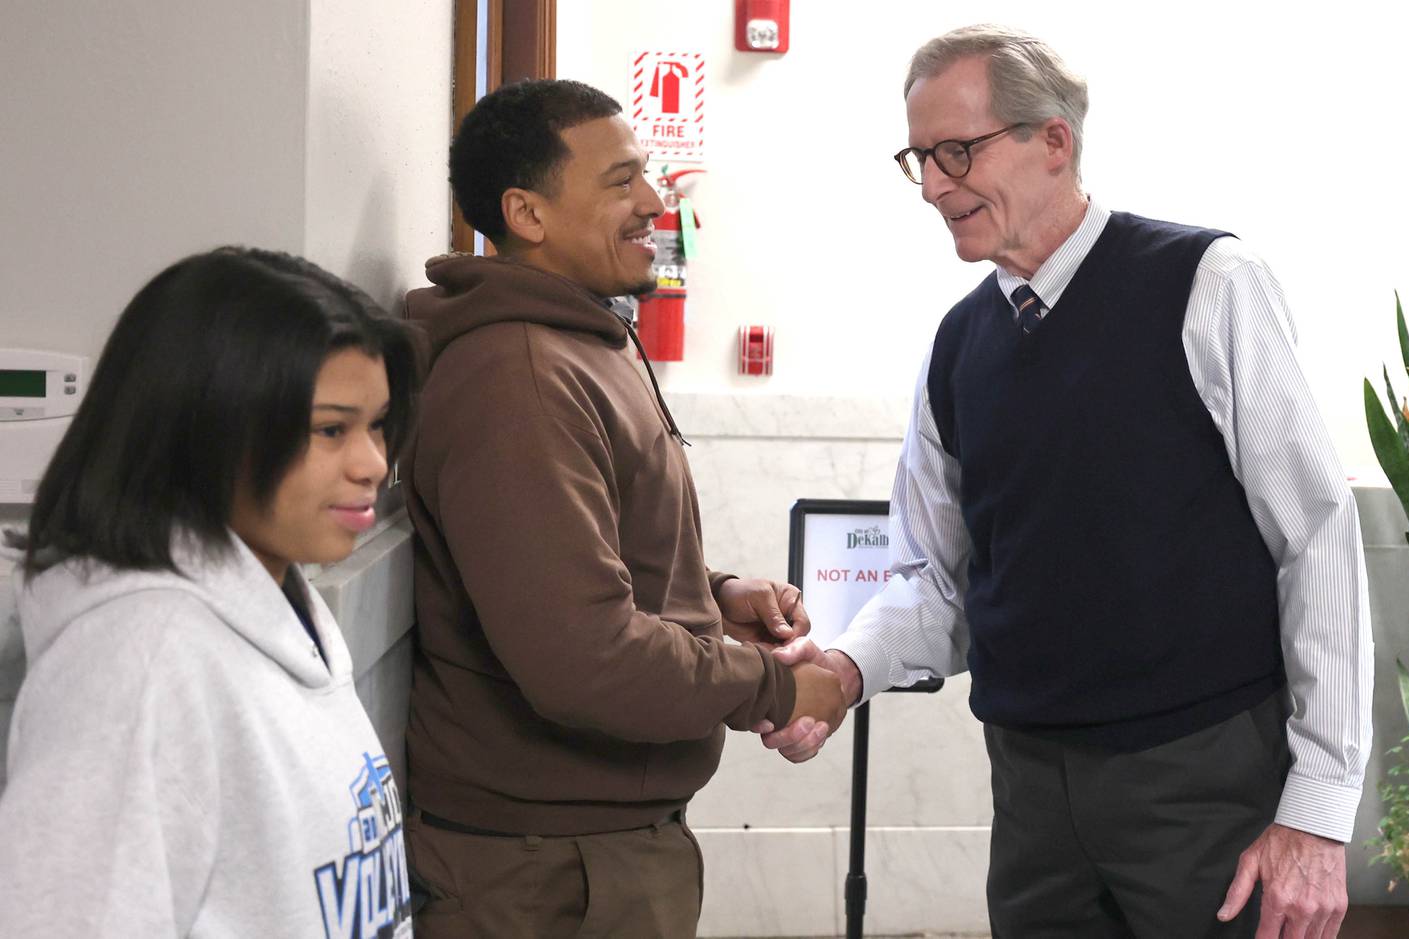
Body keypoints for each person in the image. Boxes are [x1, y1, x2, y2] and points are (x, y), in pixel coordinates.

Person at [765, 24, 1373, 939]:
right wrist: (847, 669)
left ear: (1054, 141)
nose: (933, 187)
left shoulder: (1209, 283)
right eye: (919, 159)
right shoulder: (957, 347)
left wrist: (1318, 812)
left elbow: (1316, 537)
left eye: (957, 152)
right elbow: (937, 585)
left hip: (1202, 783)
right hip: (1031, 797)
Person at [400, 78, 845, 939]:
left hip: (592, 846)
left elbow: (571, 554)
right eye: (621, 182)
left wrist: (710, 595)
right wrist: (778, 684)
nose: (653, 203)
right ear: (527, 214)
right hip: (548, 871)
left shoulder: (582, 339)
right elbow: (584, 656)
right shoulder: (519, 375)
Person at [0, 247, 421, 937]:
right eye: (330, 429)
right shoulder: (136, 664)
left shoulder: (277, 601)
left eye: (376, 424)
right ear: (205, 430)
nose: (373, 461)